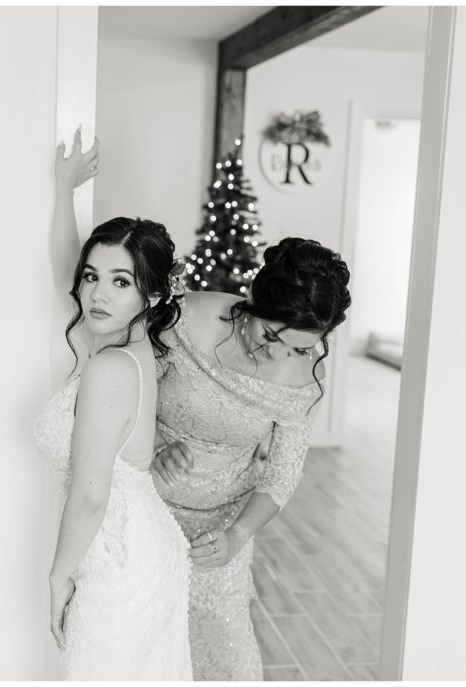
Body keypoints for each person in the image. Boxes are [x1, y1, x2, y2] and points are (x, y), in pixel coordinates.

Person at [54, 138, 352, 680]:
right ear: (249, 306)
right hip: (148, 512)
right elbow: (124, 360)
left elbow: (282, 475)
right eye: (272, 334)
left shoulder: (304, 379)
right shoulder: (184, 320)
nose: (280, 355)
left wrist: (237, 536)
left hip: (222, 530)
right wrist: (157, 446)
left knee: (224, 657)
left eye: (302, 347)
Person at [33, 128, 192, 680]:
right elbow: (65, 277)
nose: (98, 293)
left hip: (120, 564)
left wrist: (58, 577)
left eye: (120, 282)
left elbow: (91, 493)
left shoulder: (107, 367)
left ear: (150, 296)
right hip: (136, 547)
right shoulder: (123, 342)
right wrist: (64, 191)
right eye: (93, 277)